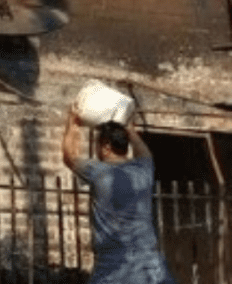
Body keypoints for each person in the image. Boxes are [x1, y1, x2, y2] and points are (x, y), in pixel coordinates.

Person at [61, 104, 176, 284]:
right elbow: (142, 149)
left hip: (116, 269)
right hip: (152, 270)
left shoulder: (99, 172)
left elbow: (70, 156)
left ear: (106, 147)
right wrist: (129, 129)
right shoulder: (144, 169)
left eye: (98, 145)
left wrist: (73, 122)